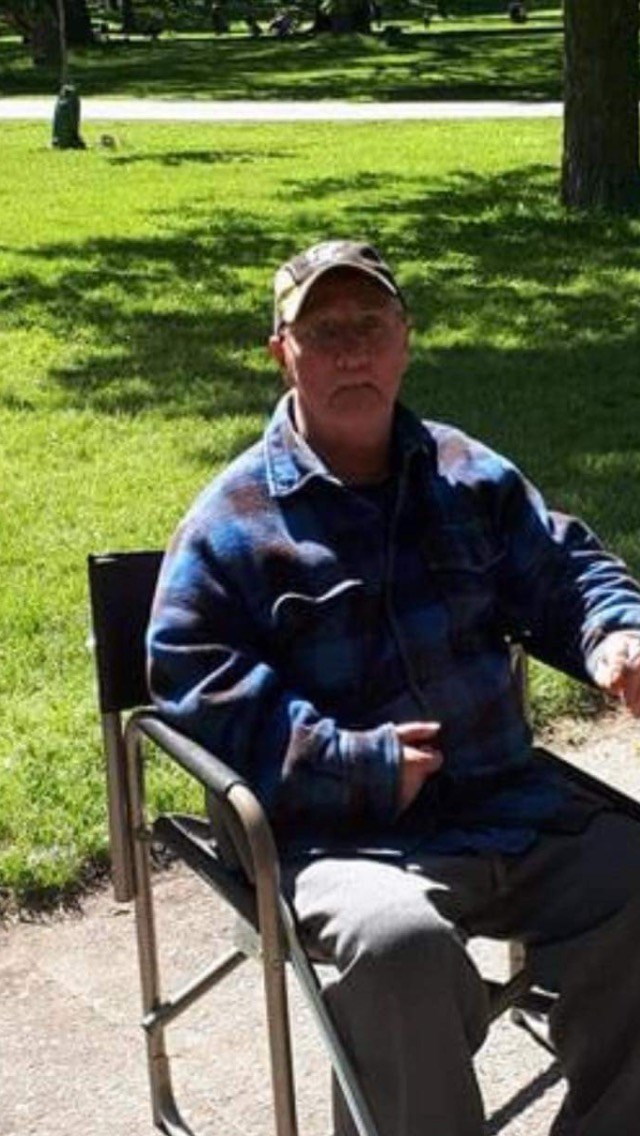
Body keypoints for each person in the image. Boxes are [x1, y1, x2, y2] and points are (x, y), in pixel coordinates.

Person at [147, 239, 640, 1136]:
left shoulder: (469, 476)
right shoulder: (232, 521)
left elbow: (565, 570)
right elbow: (195, 682)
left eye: (370, 326)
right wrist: (353, 762)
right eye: (323, 332)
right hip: (340, 840)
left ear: (405, 340)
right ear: (282, 352)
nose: (351, 352)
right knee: (399, 946)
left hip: (502, 805)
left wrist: (615, 634)